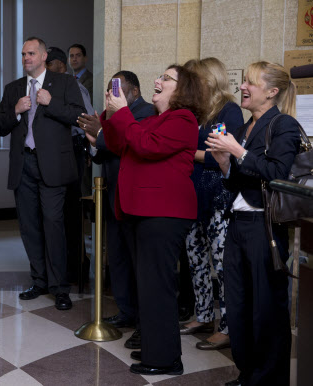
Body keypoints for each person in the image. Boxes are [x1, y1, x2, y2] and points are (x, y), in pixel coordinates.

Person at [100, 65, 207, 375]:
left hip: (164, 213)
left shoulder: (183, 119)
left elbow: (146, 146)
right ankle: (158, 350)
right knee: (148, 286)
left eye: (166, 78)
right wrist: (111, 114)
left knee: (157, 287)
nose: (157, 81)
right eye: (159, 76)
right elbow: (120, 144)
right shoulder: (159, 119)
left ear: (183, 90)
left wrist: (122, 114)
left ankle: (164, 360)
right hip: (143, 211)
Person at [205, 61, 300, 386]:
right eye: (243, 81)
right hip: (239, 224)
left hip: (265, 228)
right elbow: (237, 183)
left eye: (251, 83)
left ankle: (268, 379)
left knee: (266, 309)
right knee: (239, 304)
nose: (243, 87)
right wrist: (225, 164)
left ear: (272, 92)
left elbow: (276, 174)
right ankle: (247, 374)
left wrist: (237, 152)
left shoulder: (283, 124)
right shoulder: (246, 126)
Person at [0, 37, 86, 310]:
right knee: (29, 226)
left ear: (44, 56)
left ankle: (60, 287)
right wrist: (15, 110)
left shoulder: (65, 83)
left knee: (53, 224)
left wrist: (50, 103)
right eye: (23, 54)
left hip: (53, 167)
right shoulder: (13, 89)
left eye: (31, 53)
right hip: (24, 165)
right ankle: (39, 280)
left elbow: (79, 116)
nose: (26, 58)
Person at [79, 71, 154, 349]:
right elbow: (104, 151)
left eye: (117, 90)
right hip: (112, 194)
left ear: (133, 91)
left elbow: (129, 145)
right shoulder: (112, 116)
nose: (111, 96)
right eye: (110, 90)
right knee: (118, 255)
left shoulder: (146, 113)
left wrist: (100, 135)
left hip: (134, 196)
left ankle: (142, 318)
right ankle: (125, 310)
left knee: (135, 257)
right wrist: (94, 140)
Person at [179, 57, 244, 351]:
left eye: (197, 80)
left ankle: (228, 326)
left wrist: (186, 152)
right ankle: (203, 315)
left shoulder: (229, 111)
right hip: (192, 196)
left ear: (211, 80)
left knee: (222, 264)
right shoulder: (195, 111)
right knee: (196, 260)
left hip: (218, 195)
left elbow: (223, 154)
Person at [45, 46, 94, 283]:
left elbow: (86, 119)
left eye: (49, 64)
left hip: (73, 149)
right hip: (53, 152)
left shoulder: (74, 86)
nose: (45, 70)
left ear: (60, 66)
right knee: (57, 214)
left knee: (72, 212)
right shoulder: (48, 86)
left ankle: (76, 268)